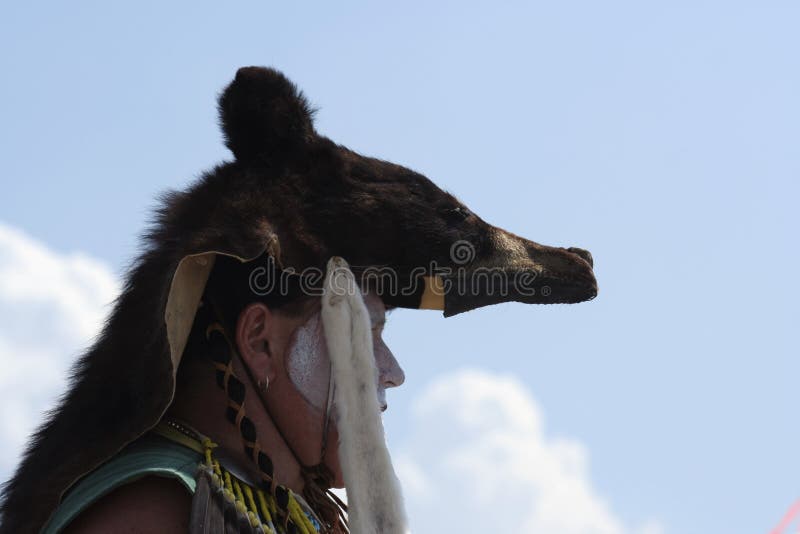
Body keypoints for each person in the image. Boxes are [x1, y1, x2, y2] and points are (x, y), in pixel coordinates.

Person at [0, 67, 597, 534]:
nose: (391, 372)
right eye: (366, 336)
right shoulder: (154, 509)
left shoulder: (290, 514)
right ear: (260, 340)